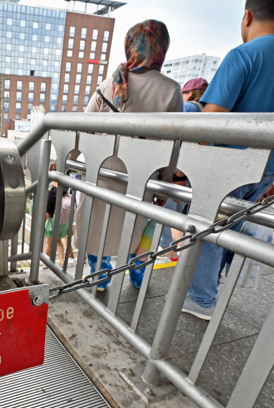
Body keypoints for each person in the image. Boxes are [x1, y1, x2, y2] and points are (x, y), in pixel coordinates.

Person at [182, 0, 274, 320]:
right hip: (267, 168)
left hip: (228, 164)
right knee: (231, 227)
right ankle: (212, 287)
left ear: (247, 15)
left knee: (209, 229)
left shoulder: (243, 55)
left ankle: (201, 299)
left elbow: (209, 123)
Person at [77, 19, 183, 292]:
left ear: (130, 45)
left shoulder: (109, 83)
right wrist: (166, 182)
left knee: (98, 227)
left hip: (103, 171)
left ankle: (101, 278)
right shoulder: (171, 90)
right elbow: (174, 144)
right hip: (142, 176)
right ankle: (137, 278)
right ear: (162, 48)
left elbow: (84, 129)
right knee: (138, 228)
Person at [159, 78, 210, 259]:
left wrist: (178, 176)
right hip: (196, 176)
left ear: (188, 93)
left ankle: (170, 250)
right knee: (180, 215)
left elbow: (181, 145)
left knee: (164, 214)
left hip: (179, 175)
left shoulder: (188, 109)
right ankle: (174, 252)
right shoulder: (209, 112)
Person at [43, 163, 71, 267]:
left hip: (53, 222)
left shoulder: (52, 193)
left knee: (49, 243)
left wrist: (41, 224)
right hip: (64, 221)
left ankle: (45, 263)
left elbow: (48, 211)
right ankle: (62, 261)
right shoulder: (68, 191)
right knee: (59, 241)